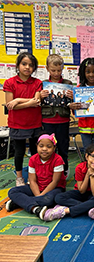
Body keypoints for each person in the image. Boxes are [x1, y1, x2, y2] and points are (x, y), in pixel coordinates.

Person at [6, 133, 66, 220]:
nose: (44, 149)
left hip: (54, 188)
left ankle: (20, 202)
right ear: (37, 146)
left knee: (48, 200)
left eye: (49, 147)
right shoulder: (33, 159)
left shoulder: (58, 159)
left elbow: (55, 182)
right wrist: (38, 195)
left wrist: (41, 196)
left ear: (54, 148)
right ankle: (36, 208)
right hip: (37, 187)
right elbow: (32, 181)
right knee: (12, 191)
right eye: (41, 146)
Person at [3, 52, 42, 186]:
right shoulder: (9, 83)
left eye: (31, 65)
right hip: (17, 123)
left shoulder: (37, 83)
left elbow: (37, 101)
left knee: (35, 152)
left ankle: (34, 176)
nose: (27, 67)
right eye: (24, 64)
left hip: (35, 122)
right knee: (19, 152)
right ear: (18, 65)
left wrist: (18, 100)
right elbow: (10, 105)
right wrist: (29, 103)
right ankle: (19, 177)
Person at [43, 144, 94, 221]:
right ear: (86, 156)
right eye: (93, 156)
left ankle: (65, 210)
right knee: (58, 197)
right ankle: (90, 207)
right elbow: (82, 190)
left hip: (92, 195)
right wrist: (87, 174)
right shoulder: (80, 168)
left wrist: (92, 177)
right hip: (80, 193)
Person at [41, 54, 73, 176]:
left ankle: (64, 170)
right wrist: (40, 96)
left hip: (63, 121)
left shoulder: (67, 83)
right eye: (53, 70)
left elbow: (72, 103)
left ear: (62, 68)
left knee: (63, 147)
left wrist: (72, 97)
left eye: (59, 70)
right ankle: (48, 171)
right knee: (47, 149)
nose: (56, 73)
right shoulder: (43, 84)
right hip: (47, 121)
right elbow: (38, 102)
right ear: (47, 68)